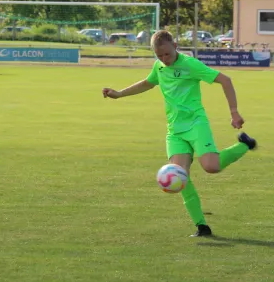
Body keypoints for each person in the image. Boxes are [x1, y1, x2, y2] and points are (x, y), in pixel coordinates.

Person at [102, 30, 257, 237]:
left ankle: (244, 144)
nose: (164, 59)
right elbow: (148, 82)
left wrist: (234, 112)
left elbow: (225, 80)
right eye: (159, 56)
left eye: (166, 54)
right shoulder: (159, 67)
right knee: (180, 177)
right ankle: (202, 226)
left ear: (175, 46)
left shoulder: (190, 64)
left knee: (211, 167)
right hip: (175, 131)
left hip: (196, 124)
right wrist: (119, 94)